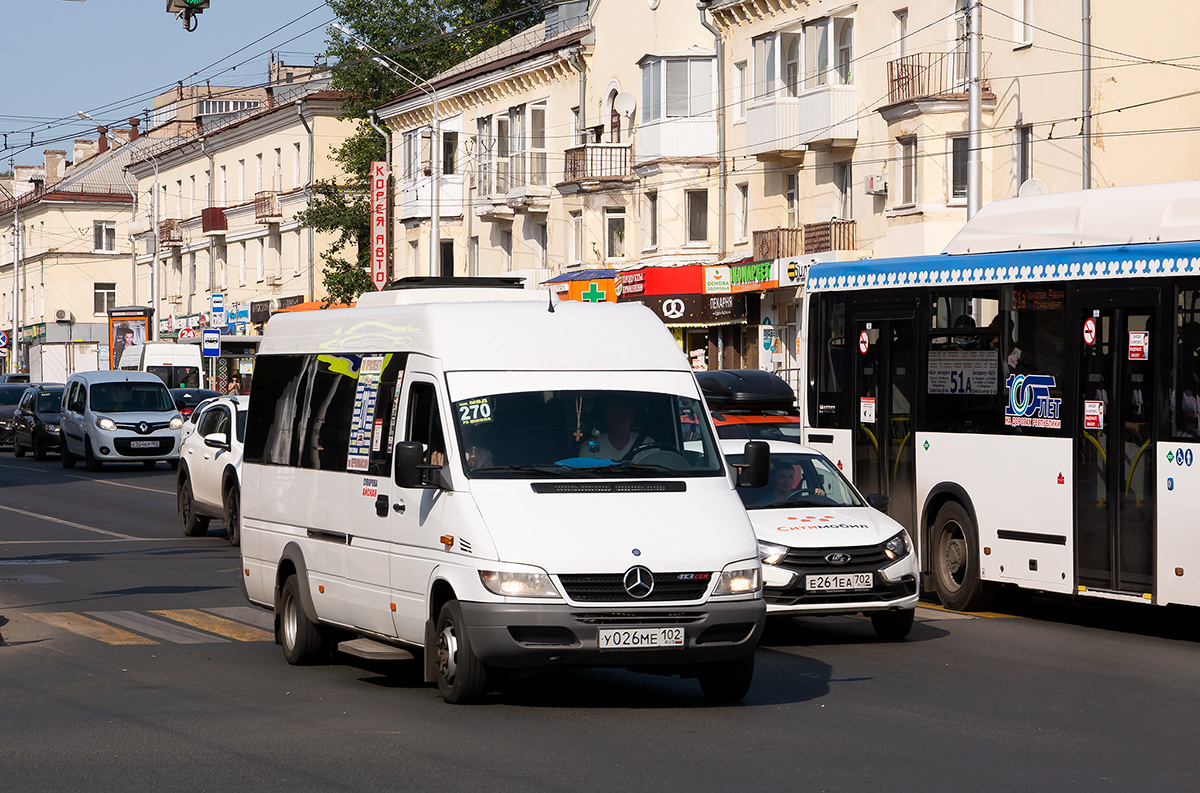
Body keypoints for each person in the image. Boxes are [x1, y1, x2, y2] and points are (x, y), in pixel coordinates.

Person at [579, 396, 652, 460]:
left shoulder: (647, 444)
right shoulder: (591, 446)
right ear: (606, 420)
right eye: (614, 416)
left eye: (623, 414)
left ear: (631, 416)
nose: (620, 419)